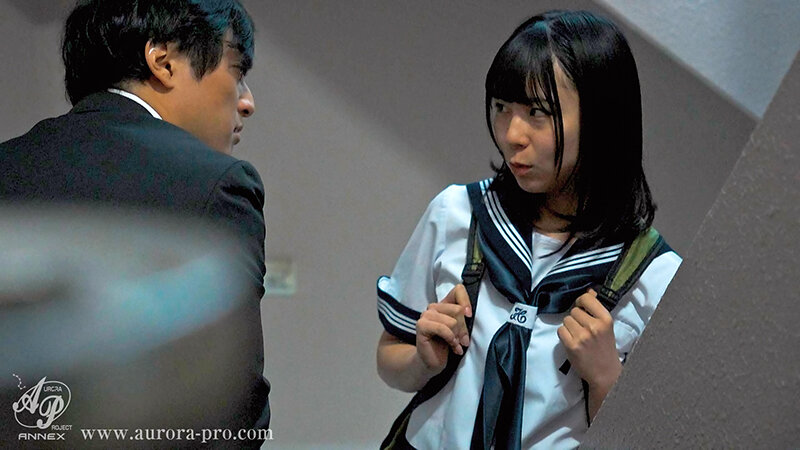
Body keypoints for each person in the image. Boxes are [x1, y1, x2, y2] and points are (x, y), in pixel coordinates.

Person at [376, 10, 682, 449]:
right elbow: (390, 356)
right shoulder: (459, 214)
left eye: (538, 112)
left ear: (602, 120)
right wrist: (423, 360)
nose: (512, 134)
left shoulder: (655, 277)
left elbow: (657, 438)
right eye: (502, 107)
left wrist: (605, 379)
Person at [0, 0, 270, 440]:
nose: (247, 102)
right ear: (163, 61)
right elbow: (235, 401)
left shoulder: (7, 164)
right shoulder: (218, 181)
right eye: (237, 70)